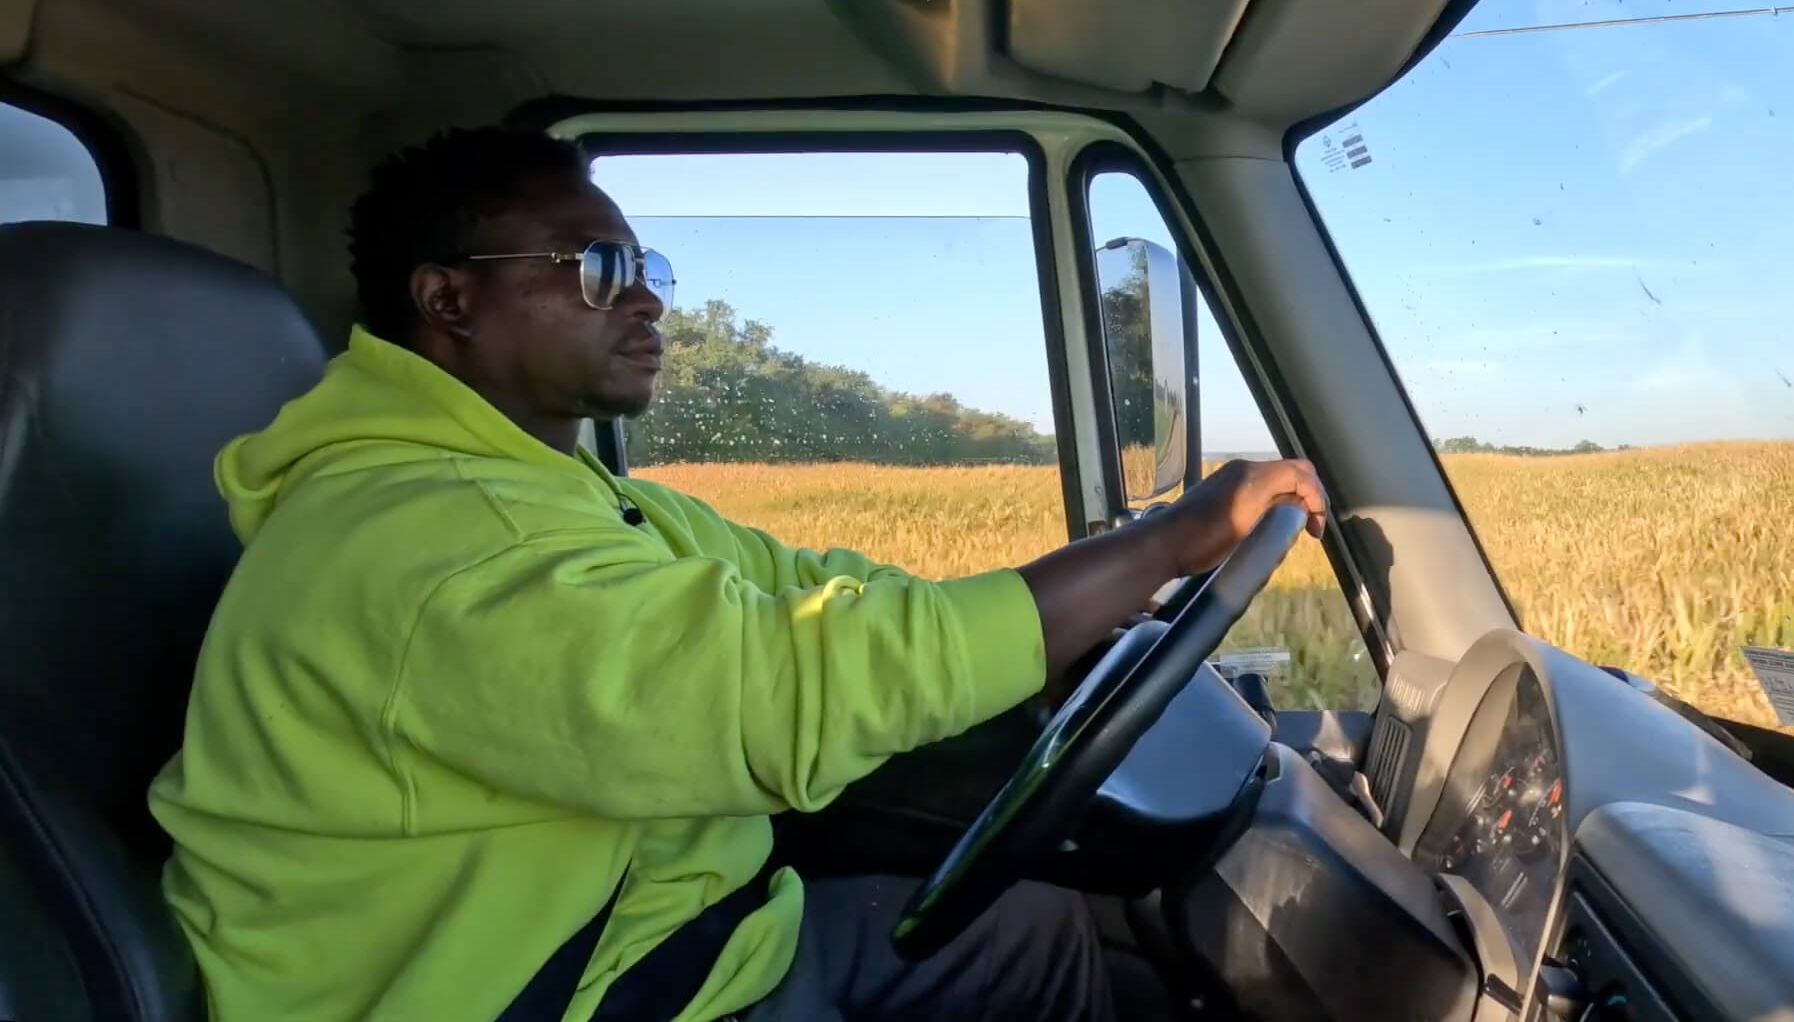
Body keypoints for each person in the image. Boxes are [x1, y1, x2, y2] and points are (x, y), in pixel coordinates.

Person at [147, 127, 1328, 1022]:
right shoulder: (427, 547)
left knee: (1040, 929)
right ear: (447, 299)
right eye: (596, 265)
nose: (650, 297)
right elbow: (789, 691)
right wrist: (1174, 539)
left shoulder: (577, 499)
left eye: (644, 262)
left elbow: (820, 594)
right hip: (536, 991)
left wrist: (1073, 606)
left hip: (663, 931)